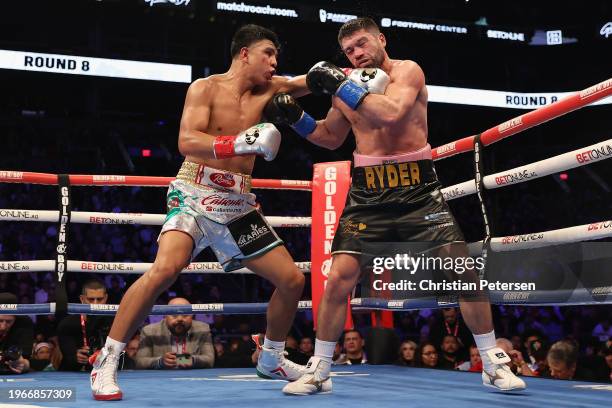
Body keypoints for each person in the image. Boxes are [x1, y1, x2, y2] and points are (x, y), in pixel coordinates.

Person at [265, 17, 526, 395]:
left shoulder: (407, 71)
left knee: (462, 271)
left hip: (418, 187)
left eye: (361, 44)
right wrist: (297, 119)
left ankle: (491, 362)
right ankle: (320, 368)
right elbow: (330, 137)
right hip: (368, 191)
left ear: (381, 39)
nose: (357, 54)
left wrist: (340, 82)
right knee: (339, 277)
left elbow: (391, 113)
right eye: (349, 50)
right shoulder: (346, 85)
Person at [90, 24, 309, 400]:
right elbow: (187, 140)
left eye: (277, 57)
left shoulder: (274, 89)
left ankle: (270, 357)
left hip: (238, 204)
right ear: (244, 53)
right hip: (194, 191)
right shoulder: (204, 88)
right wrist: (240, 141)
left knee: (292, 280)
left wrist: (356, 72)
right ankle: (107, 360)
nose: (274, 63)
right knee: (165, 269)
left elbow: (316, 81)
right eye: (268, 53)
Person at [134, 298, 214, 369]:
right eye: (174, 315)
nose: (180, 319)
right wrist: (160, 362)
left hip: (192, 378)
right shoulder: (149, 331)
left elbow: (210, 359)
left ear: (192, 316)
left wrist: (193, 360)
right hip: (161, 380)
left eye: (185, 314)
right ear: (165, 316)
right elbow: (140, 361)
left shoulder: (202, 329)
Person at [57, 279, 113, 371]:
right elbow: (68, 356)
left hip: (106, 372)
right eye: (91, 299)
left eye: (99, 299)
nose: (95, 304)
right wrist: (74, 356)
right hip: (72, 373)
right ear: (82, 299)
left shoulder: (114, 322)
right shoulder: (68, 324)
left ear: (106, 298)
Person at [0, 293, 32, 375]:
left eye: (9, 321)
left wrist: (23, 365)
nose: (3, 327)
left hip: (12, 371)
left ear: (15, 317)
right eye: (0, 321)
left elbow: (25, 358)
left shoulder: (24, 323)